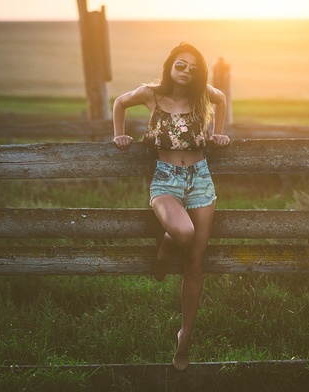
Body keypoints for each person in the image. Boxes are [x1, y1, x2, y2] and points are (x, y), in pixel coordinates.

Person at [112, 42, 230, 371]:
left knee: (195, 264)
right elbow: (120, 103)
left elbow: (221, 99)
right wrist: (119, 135)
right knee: (183, 232)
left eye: (193, 68)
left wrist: (219, 133)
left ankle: (185, 338)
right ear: (170, 66)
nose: (186, 72)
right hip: (165, 180)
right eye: (181, 65)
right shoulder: (150, 94)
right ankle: (166, 243)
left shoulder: (202, 95)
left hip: (201, 180)